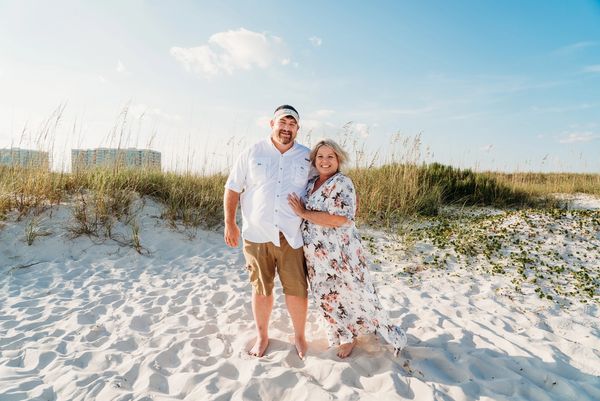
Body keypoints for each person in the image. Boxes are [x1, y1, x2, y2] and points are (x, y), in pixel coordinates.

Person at [287, 139, 407, 358]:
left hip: (342, 252)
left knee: (355, 292)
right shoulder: (311, 182)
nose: (324, 161)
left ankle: (371, 334)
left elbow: (341, 219)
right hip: (316, 255)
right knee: (326, 295)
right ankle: (343, 334)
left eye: (330, 156)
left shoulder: (343, 183)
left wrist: (303, 213)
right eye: (320, 156)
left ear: (338, 159)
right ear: (314, 160)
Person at [224, 105, 312, 359]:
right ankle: (262, 336)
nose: (286, 128)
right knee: (261, 288)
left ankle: (299, 337)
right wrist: (230, 223)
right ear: (272, 124)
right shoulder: (252, 152)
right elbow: (232, 188)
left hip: (291, 235)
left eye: (292, 124)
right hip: (257, 234)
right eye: (282, 123)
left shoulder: (306, 156)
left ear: (298, 128)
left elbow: (326, 180)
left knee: (297, 289)